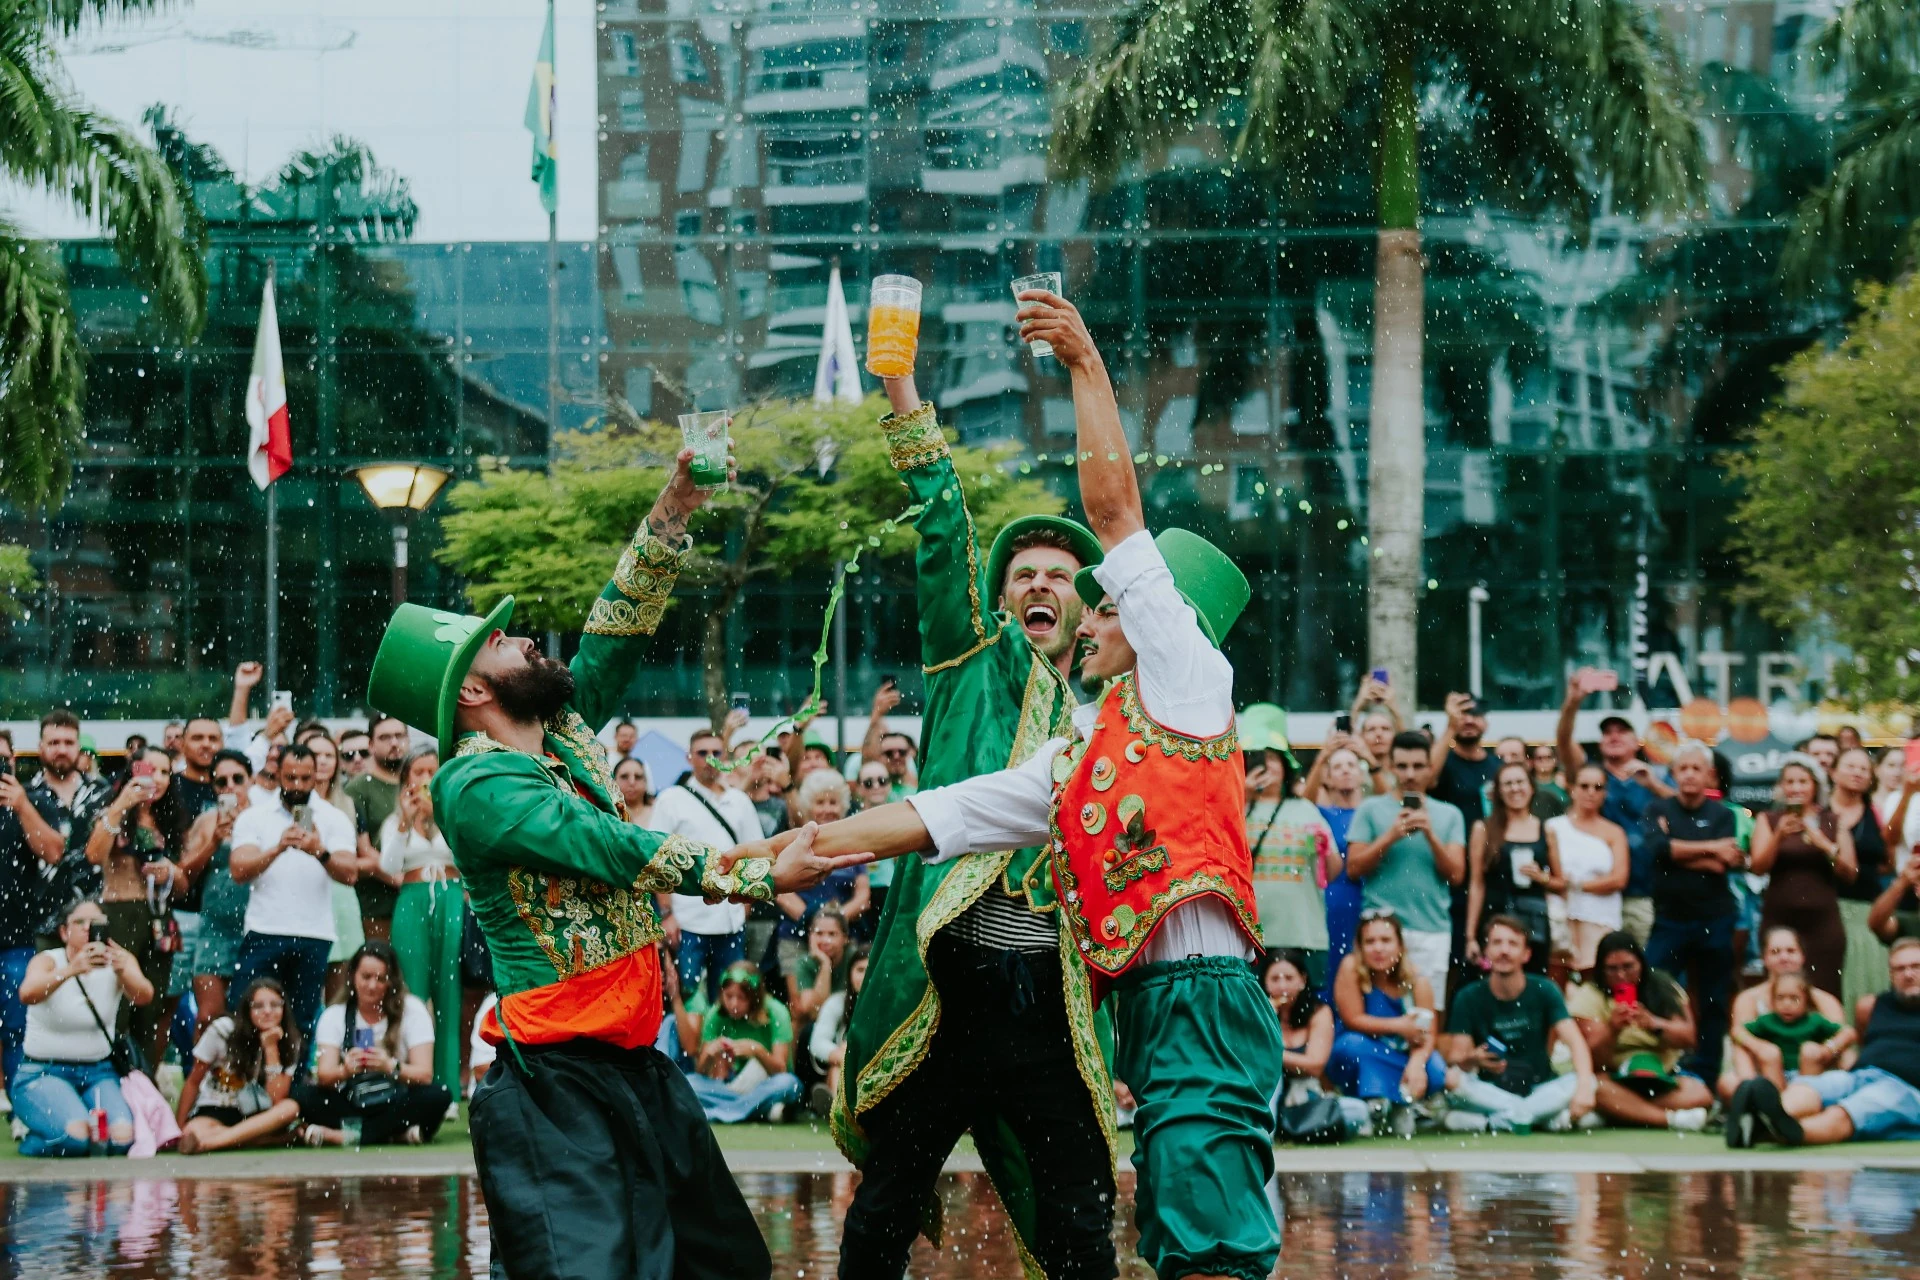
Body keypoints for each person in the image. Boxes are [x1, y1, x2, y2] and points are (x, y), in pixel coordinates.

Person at [735, 291, 1280, 1280]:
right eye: (1025, 574)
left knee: (1166, 1234)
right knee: (1171, 1232)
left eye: (1089, 589)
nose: (1078, 600)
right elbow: (948, 811)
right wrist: (801, 846)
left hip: (1122, 995)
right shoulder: (1077, 741)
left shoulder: (1188, 680)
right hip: (1004, 992)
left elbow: (1115, 515)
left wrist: (1084, 360)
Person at [366, 444, 864, 1280]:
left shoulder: (556, 734)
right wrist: (749, 872)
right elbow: (602, 844)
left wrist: (674, 508)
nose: (523, 639)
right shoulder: (471, 782)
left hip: (634, 1066)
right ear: (472, 695)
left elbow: (614, 635)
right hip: (550, 1087)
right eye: (502, 642)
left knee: (724, 1266)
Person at [1727, 935, 1920, 1147]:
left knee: (1848, 1111)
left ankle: (1782, 1132)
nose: (1908, 974)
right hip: (1861, 1076)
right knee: (1811, 1087)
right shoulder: (1875, 1005)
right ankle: (1764, 1115)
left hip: (1906, 1088)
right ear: (1891, 974)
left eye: (1915, 966)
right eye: (1900, 969)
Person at [227, 743, 360, 1043]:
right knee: (245, 1014)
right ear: (278, 774)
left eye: (305, 778)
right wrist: (277, 848)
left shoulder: (333, 817)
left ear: (316, 776)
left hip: (314, 934)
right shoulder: (255, 816)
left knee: (301, 1021)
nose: (298, 786)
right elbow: (238, 870)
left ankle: (294, 1087)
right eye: (290, 778)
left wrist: (319, 851)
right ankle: (247, 1084)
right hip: (264, 930)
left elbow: (350, 874)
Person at [12, 897, 151, 1156]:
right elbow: (27, 993)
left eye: (97, 923)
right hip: (43, 1071)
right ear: (64, 932)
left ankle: (71, 1123)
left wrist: (124, 971)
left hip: (99, 1071)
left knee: (121, 1139)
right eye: (80, 922)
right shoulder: (49, 960)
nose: (89, 927)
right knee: (74, 1139)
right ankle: (38, 1135)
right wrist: (70, 970)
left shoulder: (119, 960)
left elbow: (144, 996)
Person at [1640, 740, 1741, 1079]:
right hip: (1670, 917)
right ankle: (1659, 1063)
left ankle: (1707, 1072)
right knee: (1654, 985)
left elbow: (1723, 864)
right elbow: (1657, 851)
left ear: (1710, 775)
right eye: (1682, 768)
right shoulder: (1658, 809)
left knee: (1713, 999)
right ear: (1672, 774)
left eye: (1696, 768)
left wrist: (1677, 852)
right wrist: (1708, 849)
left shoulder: (1724, 813)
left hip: (1716, 917)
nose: (1689, 775)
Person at [1440, 915, 1598, 1132]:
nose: (1504, 950)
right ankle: (1540, 1119)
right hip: (1492, 1091)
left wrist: (1583, 1090)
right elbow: (1458, 1060)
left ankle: (1498, 1121)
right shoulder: (1468, 996)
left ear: (1526, 954)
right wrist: (1473, 1059)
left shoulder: (1545, 989)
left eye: (1512, 944)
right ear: (1487, 951)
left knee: (1588, 1080)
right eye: (1497, 943)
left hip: (1539, 1088)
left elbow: (1576, 1043)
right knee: (1451, 1080)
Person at [1345, 731, 1467, 1007]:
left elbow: (1457, 875)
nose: (1410, 774)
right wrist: (1391, 836)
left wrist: (1431, 835)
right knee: (1376, 1009)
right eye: (1402, 766)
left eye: (1417, 766)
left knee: (1428, 1014)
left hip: (1430, 928)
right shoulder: (1371, 809)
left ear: (1430, 768)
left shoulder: (1449, 814)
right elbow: (1353, 869)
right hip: (1380, 927)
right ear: (1390, 766)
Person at [83, 745, 186, 1068]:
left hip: (158, 918)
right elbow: (94, 855)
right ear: (133, 772)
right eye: (149, 770)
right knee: (116, 1004)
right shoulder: (112, 809)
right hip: (118, 912)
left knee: (152, 1010)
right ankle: (109, 1078)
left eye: (165, 772)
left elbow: (183, 885)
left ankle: (144, 1084)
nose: (157, 778)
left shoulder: (170, 817)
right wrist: (123, 803)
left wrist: (170, 871)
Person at [1556, 674, 1674, 943]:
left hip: (1644, 892)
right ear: (1600, 743)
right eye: (1607, 732)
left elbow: (1686, 808)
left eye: (1622, 731)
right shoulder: (1591, 777)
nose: (1614, 736)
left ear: (1637, 742)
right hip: (1598, 893)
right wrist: (1572, 703)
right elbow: (1564, 742)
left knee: (1644, 968)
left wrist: (1654, 785)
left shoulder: (1655, 776)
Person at [296, 941, 451, 1147]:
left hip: (396, 1100)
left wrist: (390, 1066)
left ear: (391, 981)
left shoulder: (412, 1010)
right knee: (302, 1095)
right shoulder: (335, 1014)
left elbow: (424, 1074)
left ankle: (352, 1135)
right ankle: (392, 1134)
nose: (372, 986)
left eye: (380, 979)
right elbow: (324, 1074)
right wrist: (345, 1070)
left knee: (438, 1095)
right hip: (351, 1100)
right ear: (352, 976)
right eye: (366, 977)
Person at [649, 729, 760, 1004]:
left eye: (716, 752)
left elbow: (755, 854)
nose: (710, 759)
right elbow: (657, 859)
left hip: (731, 920)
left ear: (725, 757)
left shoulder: (740, 800)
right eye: (702, 753)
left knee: (729, 1003)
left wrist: (746, 905)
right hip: (687, 921)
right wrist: (667, 914)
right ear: (689, 757)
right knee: (688, 1000)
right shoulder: (671, 799)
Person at [378, 746, 463, 1098]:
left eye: (433, 771)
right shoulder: (393, 819)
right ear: (407, 779)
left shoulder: (456, 811)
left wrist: (440, 815)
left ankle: (447, 1090)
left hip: (451, 896)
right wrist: (404, 821)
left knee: (450, 991)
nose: (426, 779)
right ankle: (412, 1085)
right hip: (412, 900)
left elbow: (468, 858)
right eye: (419, 772)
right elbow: (388, 866)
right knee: (412, 992)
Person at [1567, 931, 1714, 1130]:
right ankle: (1670, 1120)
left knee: (1701, 1094)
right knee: (1596, 1088)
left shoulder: (1663, 986)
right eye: (1612, 969)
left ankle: (1622, 1111)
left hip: (1662, 1078)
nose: (1621, 975)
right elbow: (1591, 1056)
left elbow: (1689, 1039)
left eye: (1628, 967)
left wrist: (1655, 1025)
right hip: (1614, 1077)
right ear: (1601, 970)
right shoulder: (1589, 995)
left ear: (1641, 964)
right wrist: (1612, 1029)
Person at [1, 721, 75, 1089]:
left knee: (17, 1026)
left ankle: (22, 1106)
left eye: (2, 760)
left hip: (15, 936)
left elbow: (54, 851)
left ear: (13, 761)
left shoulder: (35, 799)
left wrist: (20, 804)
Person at [1327, 911, 1444, 1133]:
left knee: (1436, 1068)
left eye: (1386, 940)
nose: (1378, 948)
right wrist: (1400, 1026)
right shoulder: (1351, 967)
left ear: (1400, 946)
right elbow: (1353, 1020)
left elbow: (1428, 1034)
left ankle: (1396, 1102)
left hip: (1402, 1053)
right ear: (1360, 947)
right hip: (1364, 1049)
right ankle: (1380, 1102)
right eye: (1370, 941)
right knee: (1350, 1047)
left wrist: (1417, 1064)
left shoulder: (1419, 981)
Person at [1752, 753, 1855, 997]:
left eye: (1803, 782)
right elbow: (1757, 867)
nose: (1796, 788)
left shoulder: (1832, 821)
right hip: (1780, 918)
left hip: (1823, 922)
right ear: (1781, 787)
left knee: (1825, 988)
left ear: (1815, 787)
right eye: (1790, 782)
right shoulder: (1768, 819)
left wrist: (1823, 843)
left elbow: (1850, 873)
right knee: (1780, 990)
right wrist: (1779, 836)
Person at [1717, 925, 1855, 1102]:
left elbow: (1843, 1038)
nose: (1784, 957)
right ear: (1765, 958)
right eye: (1775, 952)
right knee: (1729, 1081)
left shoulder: (1824, 1000)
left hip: (1814, 1073)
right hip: (1764, 1072)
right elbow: (1739, 1037)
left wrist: (1825, 1050)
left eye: (1791, 951)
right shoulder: (1749, 998)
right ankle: (1753, 1091)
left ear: (1802, 957)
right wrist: (1761, 1050)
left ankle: (1803, 1102)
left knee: (1848, 1057)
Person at [1245, 742, 1338, 988]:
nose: (1266, 765)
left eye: (1273, 759)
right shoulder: (1235, 807)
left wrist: (1324, 848)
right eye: (1259, 759)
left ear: (1286, 768)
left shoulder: (1305, 809)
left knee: (1304, 1013)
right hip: (1249, 936)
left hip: (1302, 932)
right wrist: (1243, 794)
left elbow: (1334, 871)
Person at [174, 975, 303, 1153]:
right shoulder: (224, 1029)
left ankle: (209, 1144)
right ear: (247, 1010)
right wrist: (178, 1130)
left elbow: (276, 1099)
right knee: (192, 1131)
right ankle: (252, 1140)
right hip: (216, 1107)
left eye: (275, 1005)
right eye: (258, 1006)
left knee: (289, 1108)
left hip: (257, 1114)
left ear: (284, 1008)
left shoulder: (290, 1040)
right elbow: (193, 1080)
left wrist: (271, 1048)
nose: (267, 1011)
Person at [177, 751, 255, 1033]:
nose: (230, 786)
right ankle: (205, 1077)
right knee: (209, 1017)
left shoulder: (264, 817)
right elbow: (184, 874)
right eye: (221, 782)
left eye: (237, 778)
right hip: (215, 926)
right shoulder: (207, 820)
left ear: (252, 779)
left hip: (255, 925)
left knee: (250, 1019)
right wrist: (213, 843)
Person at [22, 711, 112, 956]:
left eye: (69, 742)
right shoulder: (25, 796)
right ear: (40, 747)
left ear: (79, 746)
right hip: (41, 920)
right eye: (53, 743)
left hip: (96, 920)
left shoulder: (101, 793)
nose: (61, 749)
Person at [773, 769, 869, 977]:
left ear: (843, 806)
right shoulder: (794, 842)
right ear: (809, 807)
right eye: (820, 802)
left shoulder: (852, 844)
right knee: (801, 1006)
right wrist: (816, 924)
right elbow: (779, 890)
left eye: (833, 802)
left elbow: (863, 897)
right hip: (795, 937)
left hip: (842, 940)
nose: (827, 809)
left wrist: (833, 925)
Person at [1465, 762, 1558, 968]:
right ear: (1498, 791)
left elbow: (1560, 884)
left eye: (1520, 782)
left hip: (1534, 922)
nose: (1515, 788)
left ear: (1531, 787)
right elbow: (1476, 884)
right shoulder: (1484, 828)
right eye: (1508, 784)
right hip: (1495, 917)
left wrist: (1542, 878)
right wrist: (1470, 936)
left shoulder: (1546, 830)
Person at [687, 961, 802, 1123]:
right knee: (689, 1083)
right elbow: (701, 1071)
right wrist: (709, 1054)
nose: (734, 1004)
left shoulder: (776, 1012)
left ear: (754, 997)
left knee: (789, 1084)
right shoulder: (716, 1013)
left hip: (766, 1085)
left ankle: (717, 1113)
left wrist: (757, 1051)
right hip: (729, 1086)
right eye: (728, 996)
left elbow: (781, 1070)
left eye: (741, 998)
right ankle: (758, 1110)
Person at [1548, 764, 1631, 971]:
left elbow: (1619, 879)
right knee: (1557, 973)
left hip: (1600, 915)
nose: (1591, 792)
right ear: (1572, 788)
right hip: (1560, 915)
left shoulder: (1614, 832)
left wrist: (1576, 884)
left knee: (1595, 975)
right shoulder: (1553, 827)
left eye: (1598, 787)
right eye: (1584, 786)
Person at [1829, 747, 1891, 1010]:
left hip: (1868, 909)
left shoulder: (1875, 813)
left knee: (1869, 977)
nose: (1857, 773)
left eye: (1864, 769)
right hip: (1829, 907)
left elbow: (1888, 861)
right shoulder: (1819, 812)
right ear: (1833, 773)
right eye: (1850, 766)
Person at [344, 713, 411, 943]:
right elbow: (360, 850)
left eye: (399, 736)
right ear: (371, 745)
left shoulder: (420, 783)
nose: (394, 743)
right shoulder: (357, 790)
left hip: (424, 899)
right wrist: (403, 879)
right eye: (385, 737)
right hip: (378, 905)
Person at [1313, 744, 1370, 991]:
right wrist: (1322, 757)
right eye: (1337, 767)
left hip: (1366, 898)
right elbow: (1300, 803)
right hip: (1329, 899)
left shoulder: (1373, 811)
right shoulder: (1318, 813)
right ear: (1328, 778)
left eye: (1351, 765)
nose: (1345, 771)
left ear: (1361, 774)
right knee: (1331, 965)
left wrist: (1368, 755)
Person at [1739, 971, 1844, 1089]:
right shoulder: (1766, 1021)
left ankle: (1804, 1099)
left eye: (1795, 999)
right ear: (1772, 1001)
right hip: (1776, 1075)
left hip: (1808, 1073)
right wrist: (1757, 1046)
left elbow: (1848, 1033)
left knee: (1810, 1050)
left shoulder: (1815, 1021)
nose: (1786, 1004)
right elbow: (1737, 1032)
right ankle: (1775, 1103)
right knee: (1770, 1054)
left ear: (1806, 1000)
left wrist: (1827, 1049)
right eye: (1780, 998)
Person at [1261, 949, 1335, 1101]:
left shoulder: (1319, 1012)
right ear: (1265, 984)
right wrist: (1265, 1020)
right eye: (1275, 979)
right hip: (1269, 1090)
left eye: (1289, 978)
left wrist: (1274, 1054)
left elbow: (1315, 1065)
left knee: (1356, 1110)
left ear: (1303, 980)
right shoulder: (1258, 1013)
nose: (1282, 986)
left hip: (1308, 1093)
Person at [808, 944, 869, 1113]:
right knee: (837, 1067)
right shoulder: (837, 1002)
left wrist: (856, 1055)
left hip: (874, 1069)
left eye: (870, 970)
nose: (864, 977)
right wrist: (842, 1056)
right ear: (850, 973)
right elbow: (817, 1043)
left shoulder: (890, 1006)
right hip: (844, 1067)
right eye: (860, 970)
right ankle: (840, 1110)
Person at [785, 905, 851, 1043]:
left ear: (845, 938)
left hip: (850, 1020)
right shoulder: (804, 963)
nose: (825, 940)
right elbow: (814, 1011)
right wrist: (825, 965)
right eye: (819, 934)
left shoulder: (855, 959)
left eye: (832, 934)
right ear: (811, 936)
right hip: (819, 1024)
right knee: (798, 1026)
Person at [1529, 744, 1570, 818]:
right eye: (1539, 758)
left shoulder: (1565, 783)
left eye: (1549, 757)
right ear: (1532, 762)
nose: (1544, 761)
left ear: (1555, 760)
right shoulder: (1528, 784)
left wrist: (1568, 787)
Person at [614, 757, 654, 828]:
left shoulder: (657, 813)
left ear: (645, 783)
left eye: (638, 777)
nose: (632, 782)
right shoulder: (607, 816)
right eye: (624, 777)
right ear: (613, 782)